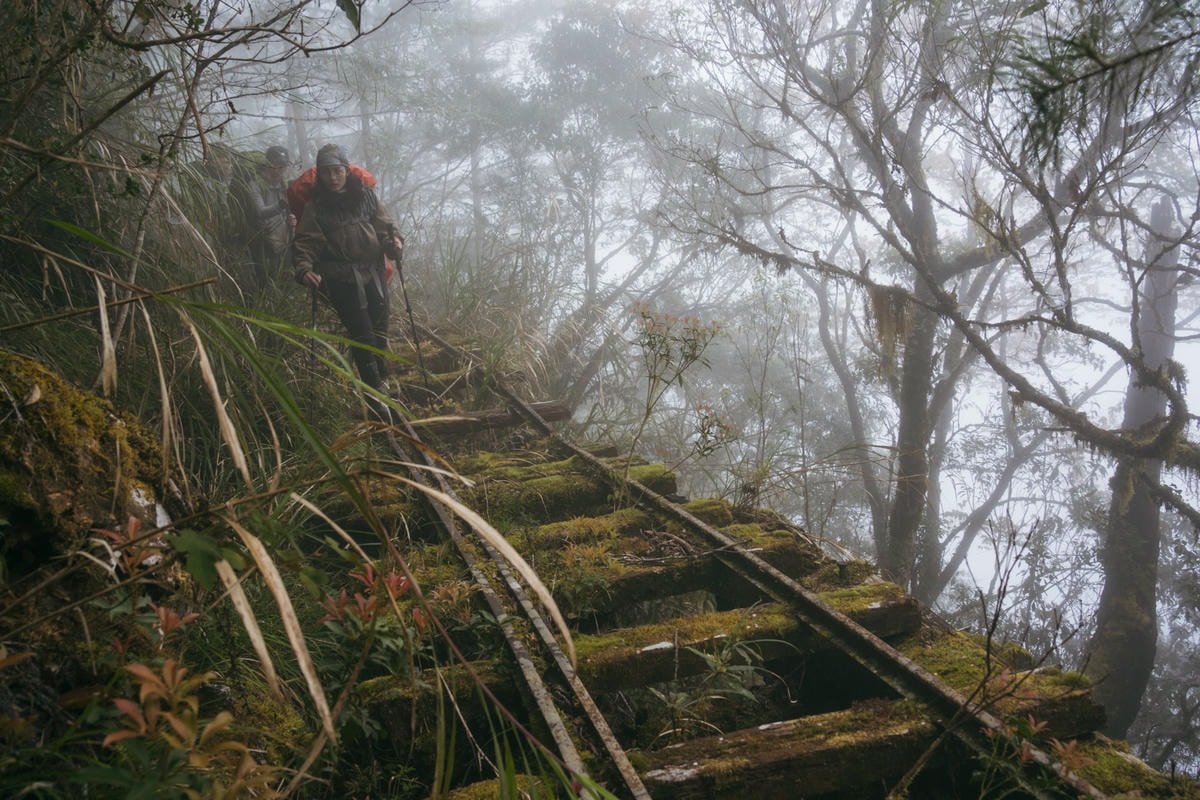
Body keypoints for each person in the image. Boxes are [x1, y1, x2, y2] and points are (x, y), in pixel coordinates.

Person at [291, 144, 404, 405]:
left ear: (346, 170)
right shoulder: (316, 207)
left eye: (337, 171)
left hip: (373, 273)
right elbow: (306, 242)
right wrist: (304, 269)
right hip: (341, 279)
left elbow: (386, 227)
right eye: (327, 172)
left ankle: (381, 378)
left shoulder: (366, 197)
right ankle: (375, 393)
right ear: (320, 174)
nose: (333, 177)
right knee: (361, 333)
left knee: (380, 329)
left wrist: (394, 243)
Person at [237, 145, 296, 290]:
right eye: (277, 164)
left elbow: (288, 210)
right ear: (268, 164)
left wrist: (292, 220)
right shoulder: (255, 184)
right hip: (263, 241)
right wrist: (281, 205)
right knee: (267, 282)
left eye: (284, 165)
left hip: (284, 240)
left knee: (287, 278)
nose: (281, 168)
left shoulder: (284, 184)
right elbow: (260, 212)